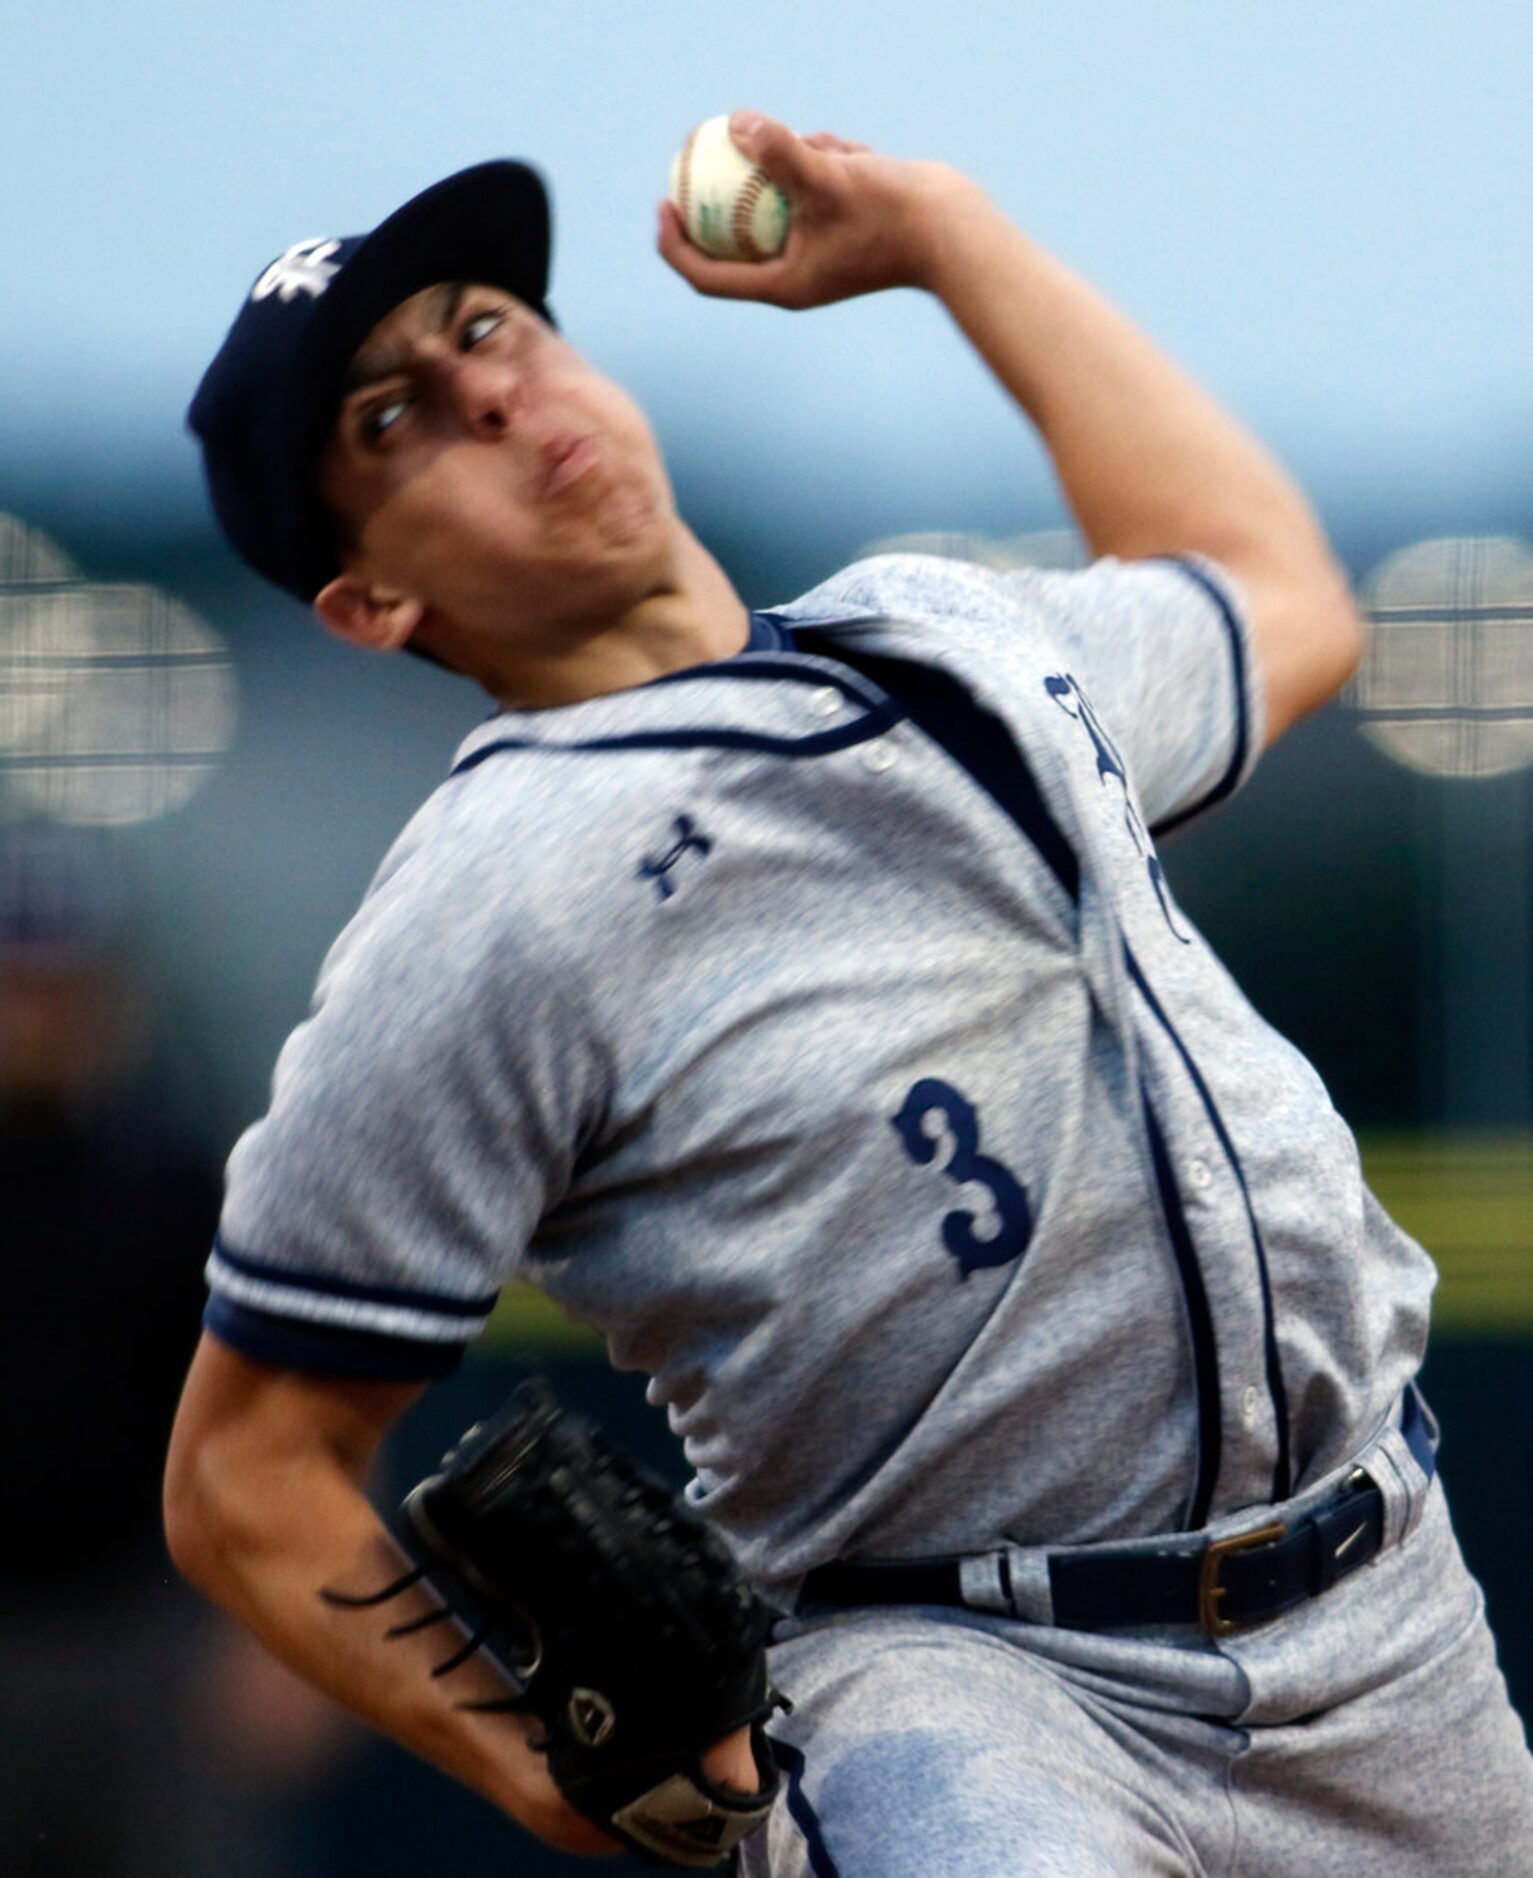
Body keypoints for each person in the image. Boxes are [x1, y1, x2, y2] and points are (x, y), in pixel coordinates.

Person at [165, 114, 1533, 1873]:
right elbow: (244, 1474)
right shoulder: (486, 901)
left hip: (1384, 1624)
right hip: (961, 1674)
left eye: (486, 324)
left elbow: (1277, 593)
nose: (485, 393)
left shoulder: (941, 629)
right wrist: (535, 1763)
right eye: (390, 420)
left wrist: (955, 239)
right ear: (370, 599)